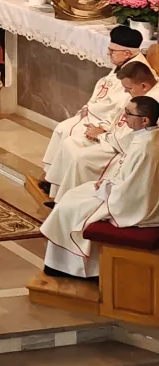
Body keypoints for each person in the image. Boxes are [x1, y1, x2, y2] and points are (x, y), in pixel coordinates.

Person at [42, 95, 159, 279]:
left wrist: (106, 186)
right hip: (122, 192)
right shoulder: (148, 136)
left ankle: (69, 268)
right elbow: (130, 176)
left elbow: (132, 190)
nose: (124, 117)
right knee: (73, 195)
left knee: (70, 207)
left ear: (144, 120)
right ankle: (60, 263)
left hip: (132, 206)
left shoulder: (145, 148)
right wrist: (108, 182)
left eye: (129, 113)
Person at [40, 26, 147, 196]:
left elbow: (117, 105)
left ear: (127, 53)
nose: (108, 53)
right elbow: (106, 89)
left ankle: (63, 191)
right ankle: (54, 183)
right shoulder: (125, 63)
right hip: (103, 118)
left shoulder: (135, 72)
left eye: (112, 51)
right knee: (63, 128)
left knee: (68, 133)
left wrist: (96, 119)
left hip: (107, 123)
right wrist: (89, 107)